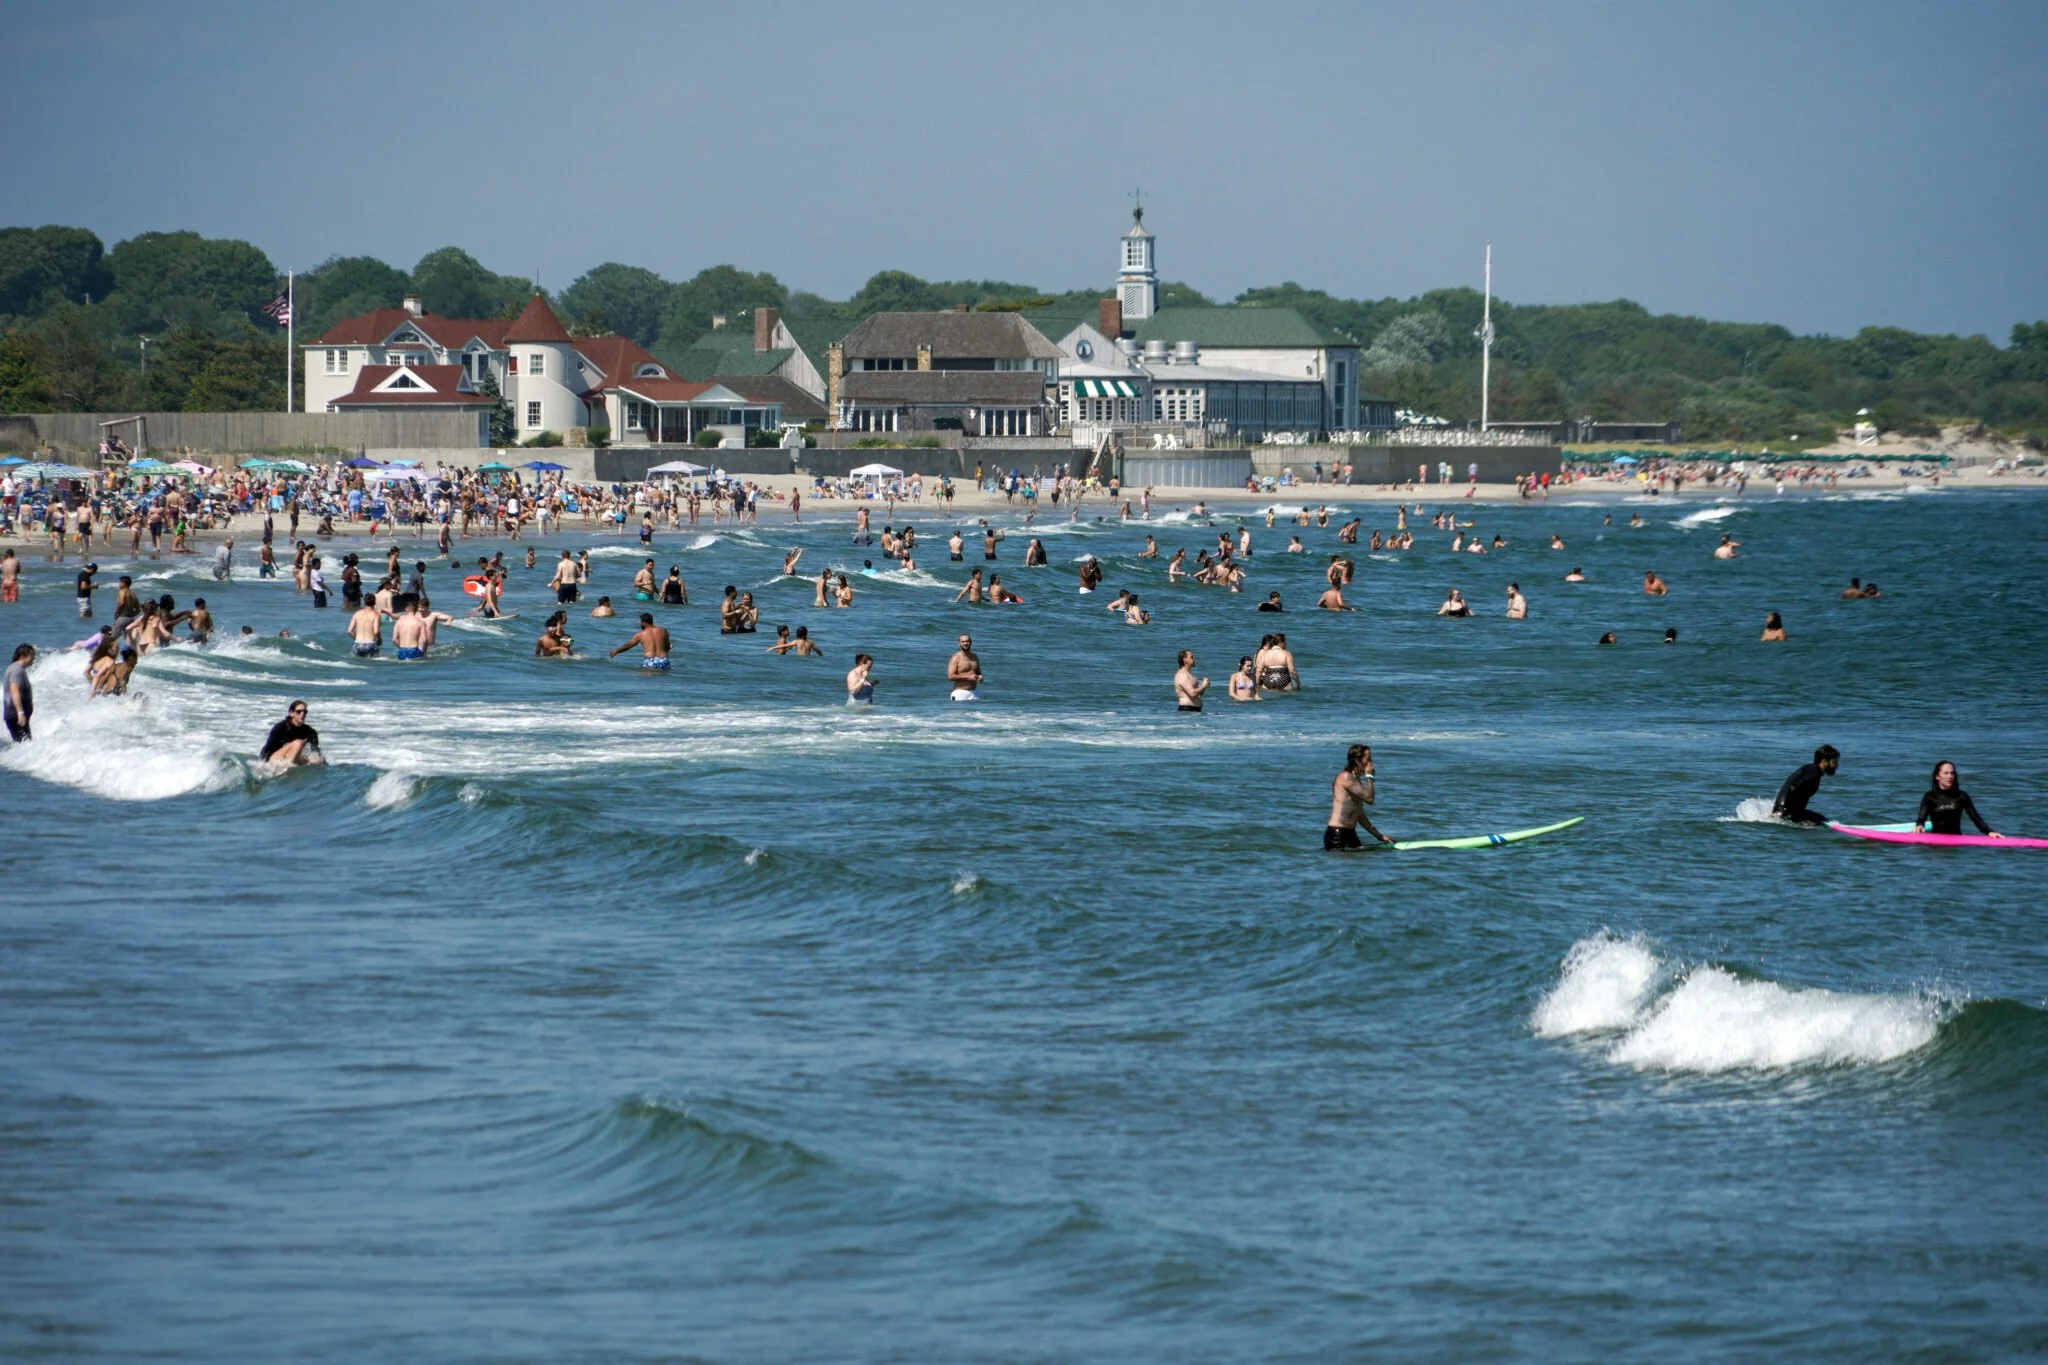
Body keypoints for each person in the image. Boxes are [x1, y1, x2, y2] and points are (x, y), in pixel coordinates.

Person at [1326, 744, 1391, 849]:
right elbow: (1369, 799)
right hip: (1337, 834)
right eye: (1368, 759)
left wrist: (1379, 836)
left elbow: (1359, 814)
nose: (1371, 763)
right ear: (1357, 761)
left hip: (1350, 833)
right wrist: (1369, 777)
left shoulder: (1356, 780)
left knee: (1362, 862)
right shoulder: (1345, 777)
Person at [1916, 760, 2002, 837]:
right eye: (1946, 773)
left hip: (1956, 842)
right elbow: (1921, 818)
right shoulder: (1930, 796)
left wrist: (1989, 832)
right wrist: (1919, 825)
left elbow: (1975, 817)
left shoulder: (1961, 796)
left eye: (1952, 773)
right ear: (1937, 776)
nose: (1950, 776)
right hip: (1935, 843)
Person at [1771, 744, 1839, 825]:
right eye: (1834, 762)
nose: (1837, 765)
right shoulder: (1813, 774)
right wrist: (1781, 811)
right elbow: (1793, 786)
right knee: (1818, 824)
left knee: (1823, 819)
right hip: (1787, 813)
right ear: (1824, 761)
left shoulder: (1811, 769)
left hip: (1792, 811)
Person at [259, 700, 324, 766]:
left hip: (294, 758)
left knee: (318, 760)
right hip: (274, 758)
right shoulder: (280, 727)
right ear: (291, 713)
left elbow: (316, 752)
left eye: (305, 712)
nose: (302, 714)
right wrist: (263, 765)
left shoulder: (311, 732)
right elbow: (267, 749)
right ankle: (287, 771)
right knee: (298, 743)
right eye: (299, 712)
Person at [3, 643, 34, 742]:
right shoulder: (17, 670)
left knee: (22, 745)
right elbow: (14, 689)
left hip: (14, 715)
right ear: (23, 656)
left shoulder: (15, 668)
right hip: (16, 716)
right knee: (26, 746)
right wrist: (20, 712)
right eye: (32, 656)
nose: (33, 659)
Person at [947, 632, 982, 701]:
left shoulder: (975, 657)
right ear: (959, 643)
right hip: (960, 693)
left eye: (967, 641)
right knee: (959, 712)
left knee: (976, 712)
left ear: (971, 642)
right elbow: (950, 676)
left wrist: (980, 678)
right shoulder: (956, 657)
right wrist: (968, 677)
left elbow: (978, 673)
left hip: (974, 693)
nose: (965, 643)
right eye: (963, 642)